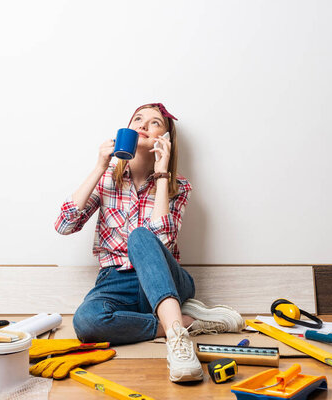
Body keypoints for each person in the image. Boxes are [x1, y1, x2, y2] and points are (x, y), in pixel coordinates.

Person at [54, 103, 244, 382]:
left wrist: (162, 175)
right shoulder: (107, 179)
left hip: (166, 277)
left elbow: (163, 241)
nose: (143, 125)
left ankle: (178, 345)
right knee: (85, 323)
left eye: (154, 123)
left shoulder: (178, 186)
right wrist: (99, 167)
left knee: (141, 236)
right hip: (115, 280)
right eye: (138, 119)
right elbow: (64, 225)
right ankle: (185, 322)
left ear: (165, 140)